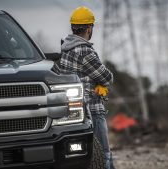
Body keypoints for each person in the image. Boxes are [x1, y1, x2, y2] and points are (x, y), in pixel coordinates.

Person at [54, 6, 115, 169]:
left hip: (71, 112)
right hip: (92, 109)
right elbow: (107, 77)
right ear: (89, 28)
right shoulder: (84, 50)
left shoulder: (65, 49)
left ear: (73, 27)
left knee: (83, 157)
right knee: (104, 154)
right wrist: (102, 82)